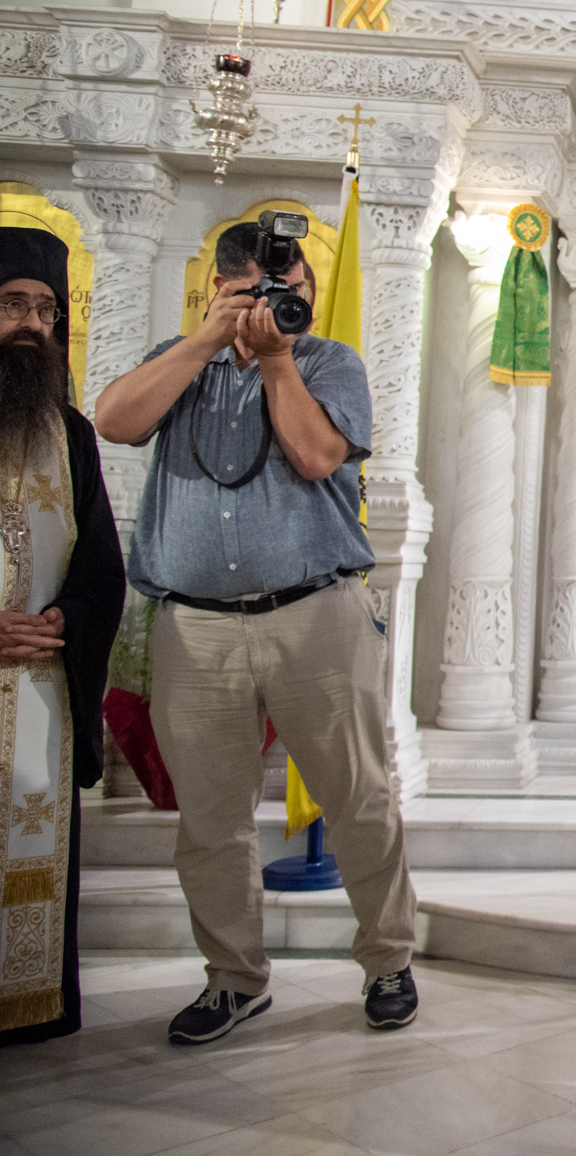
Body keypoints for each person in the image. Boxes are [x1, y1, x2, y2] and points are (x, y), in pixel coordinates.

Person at [93, 223, 421, 1043]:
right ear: (218, 290)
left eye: (293, 288)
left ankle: (388, 960)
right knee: (211, 818)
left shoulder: (328, 362)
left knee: (358, 797)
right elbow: (113, 420)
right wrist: (205, 342)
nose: (282, 302)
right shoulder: (180, 361)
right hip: (195, 628)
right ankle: (234, 977)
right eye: (259, 292)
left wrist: (275, 359)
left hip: (317, 616)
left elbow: (315, 455)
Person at [0, 229, 124, 1045]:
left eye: (46, 310)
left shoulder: (71, 434)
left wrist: (67, 618)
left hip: (38, 690)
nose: (31, 324)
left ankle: (26, 998)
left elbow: (102, 567)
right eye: (14, 303)